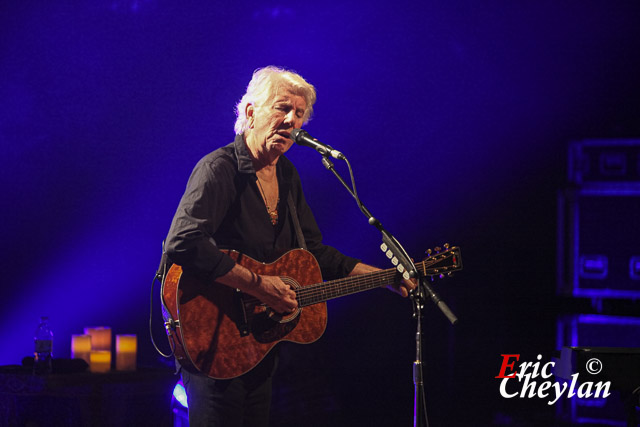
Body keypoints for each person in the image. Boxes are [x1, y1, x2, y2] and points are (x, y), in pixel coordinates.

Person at [164, 66, 414, 427]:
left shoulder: (287, 176)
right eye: (282, 108)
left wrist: (383, 277)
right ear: (251, 112)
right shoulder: (219, 169)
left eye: (299, 114)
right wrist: (258, 284)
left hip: (258, 342)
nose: (291, 120)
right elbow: (183, 242)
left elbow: (313, 252)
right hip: (213, 334)